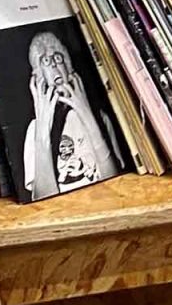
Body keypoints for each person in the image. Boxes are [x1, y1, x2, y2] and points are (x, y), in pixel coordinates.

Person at [23, 31, 120, 200]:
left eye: (58, 58)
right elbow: (44, 200)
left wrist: (87, 116)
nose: (54, 65)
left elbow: (115, 184)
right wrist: (43, 130)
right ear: (38, 77)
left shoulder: (101, 119)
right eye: (45, 61)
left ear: (69, 66)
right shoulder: (35, 130)